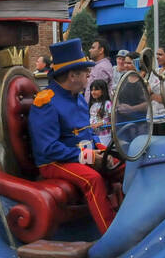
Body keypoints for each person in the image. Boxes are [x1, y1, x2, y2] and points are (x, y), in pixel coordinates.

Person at [29, 39, 125, 232]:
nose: (89, 79)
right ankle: (111, 235)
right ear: (72, 75)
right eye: (86, 74)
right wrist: (88, 157)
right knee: (93, 179)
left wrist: (102, 150)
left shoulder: (79, 98)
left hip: (78, 154)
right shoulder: (45, 102)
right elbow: (47, 148)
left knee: (123, 164)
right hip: (53, 162)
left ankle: (128, 217)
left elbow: (88, 133)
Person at [88, 79, 112, 147]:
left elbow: (113, 121)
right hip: (93, 135)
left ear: (103, 91)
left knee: (102, 153)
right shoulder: (92, 105)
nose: (93, 92)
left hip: (104, 136)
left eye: (96, 90)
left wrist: (101, 123)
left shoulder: (108, 104)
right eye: (92, 90)